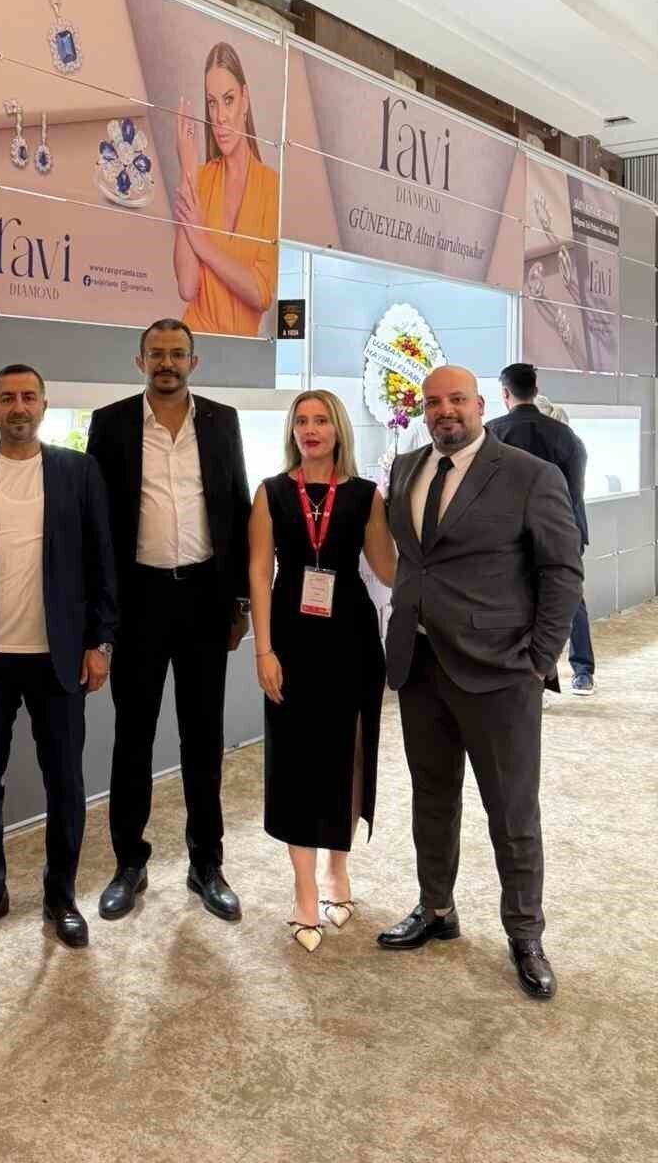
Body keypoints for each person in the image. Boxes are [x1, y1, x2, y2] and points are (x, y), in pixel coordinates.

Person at [379, 365, 583, 1000]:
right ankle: (437, 908)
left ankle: (525, 934)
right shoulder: (406, 469)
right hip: (420, 666)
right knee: (432, 798)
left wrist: (539, 658)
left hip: (500, 672)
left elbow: (562, 571)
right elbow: (414, 560)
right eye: (433, 402)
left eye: (457, 400)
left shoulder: (529, 475)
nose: (445, 411)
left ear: (481, 404)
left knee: (512, 810)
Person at [0, 364, 117, 949]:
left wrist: (100, 642)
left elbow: (102, 562)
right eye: (7, 398)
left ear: (44, 404)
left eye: (29, 397)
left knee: (65, 781)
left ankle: (60, 896)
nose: (19, 407)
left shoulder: (78, 471)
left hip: (57, 658)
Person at [87, 318, 252, 923]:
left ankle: (206, 864)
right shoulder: (110, 423)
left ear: (193, 362)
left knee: (202, 737)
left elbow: (235, 506)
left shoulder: (222, 420)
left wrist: (240, 602)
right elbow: (96, 523)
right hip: (138, 602)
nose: (166, 363)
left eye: (177, 354)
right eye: (156, 354)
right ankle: (128, 863)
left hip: (205, 598)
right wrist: (100, 618)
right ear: (139, 361)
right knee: (132, 739)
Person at [249, 391, 396, 952]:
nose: (311, 430)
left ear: (338, 430)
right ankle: (304, 886)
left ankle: (338, 867)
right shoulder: (270, 493)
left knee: (345, 756)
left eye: (322, 421)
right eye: (302, 421)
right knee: (295, 762)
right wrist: (264, 651)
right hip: (290, 640)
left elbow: (388, 568)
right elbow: (259, 573)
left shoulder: (364, 495)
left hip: (351, 641)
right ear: (292, 431)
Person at [487, 364, 594, 694]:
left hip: (509, 536)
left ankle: (528, 676)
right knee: (569, 598)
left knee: (514, 603)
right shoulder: (566, 435)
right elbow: (575, 490)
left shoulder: (492, 433)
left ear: (505, 393)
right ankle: (583, 672)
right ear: (535, 390)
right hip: (563, 531)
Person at [174, 42, 279, 338]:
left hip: (241, 353)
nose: (220, 116)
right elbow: (187, 287)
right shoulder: (200, 178)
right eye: (212, 103)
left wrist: (202, 244)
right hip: (195, 343)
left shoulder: (273, 187)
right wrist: (187, 167)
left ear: (245, 100)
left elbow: (261, 293)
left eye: (229, 100)